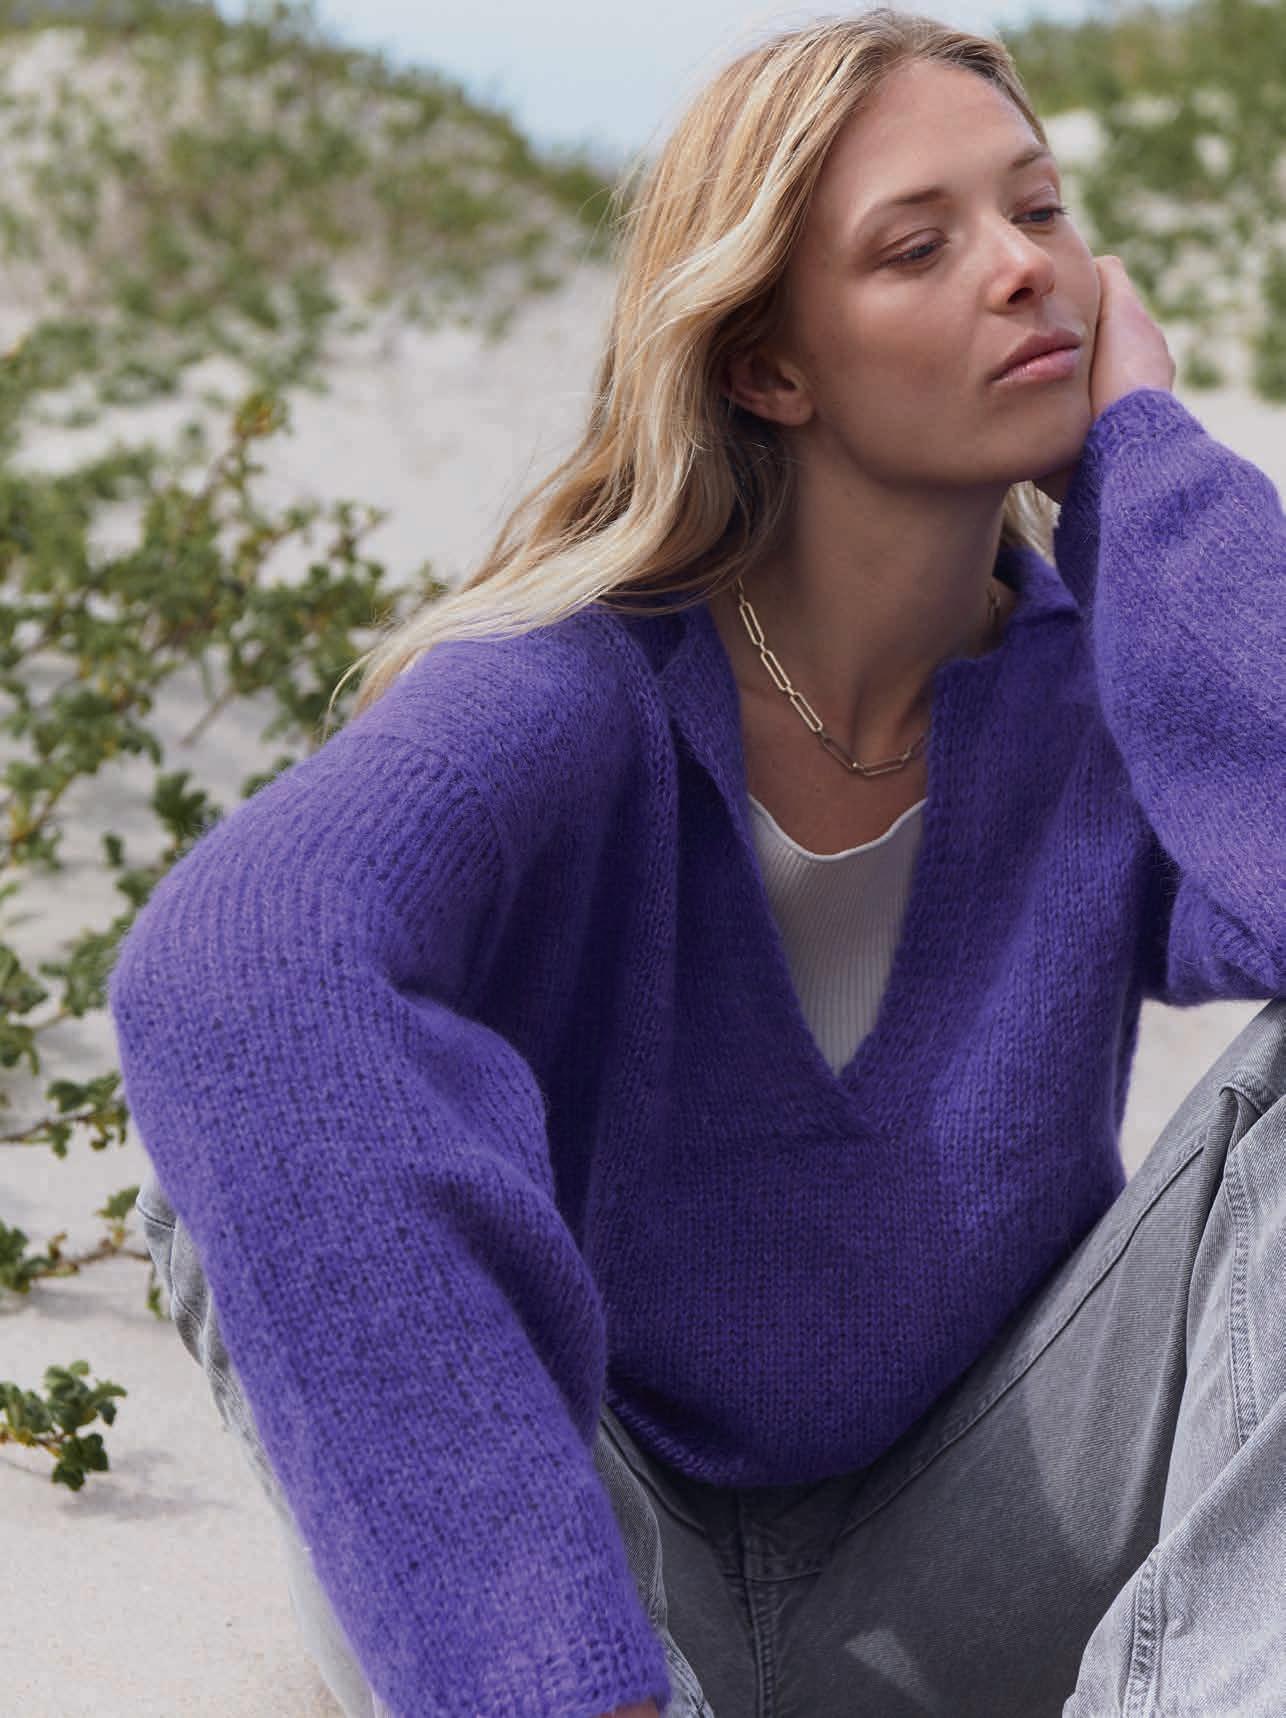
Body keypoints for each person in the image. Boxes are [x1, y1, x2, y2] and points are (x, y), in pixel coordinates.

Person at [111, 7, 1286, 1716]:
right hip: (586, 1570)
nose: (1024, 268)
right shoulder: (574, 687)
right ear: (767, 368)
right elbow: (234, 961)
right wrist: (557, 1678)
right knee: (244, 1111)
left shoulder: (1107, 691)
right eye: (917, 245)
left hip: (982, 1559)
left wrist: (1153, 471)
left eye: (1037, 209)